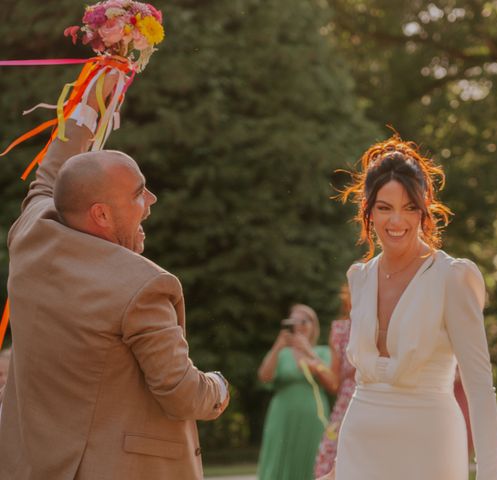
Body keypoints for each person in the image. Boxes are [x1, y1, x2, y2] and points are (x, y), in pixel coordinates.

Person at [0, 76, 229, 480]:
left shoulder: (30, 238)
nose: (151, 201)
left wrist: (92, 101)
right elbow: (181, 393)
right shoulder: (143, 286)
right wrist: (219, 388)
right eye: (139, 193)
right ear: (102, 215)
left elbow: (49, 176)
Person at [327, 136, 497, 479]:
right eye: (385, 207)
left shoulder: (451, 277)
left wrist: (490, 476)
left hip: (429, 448)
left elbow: (480, 388)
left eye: (410, 207)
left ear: (425, 209)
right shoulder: (360, 278)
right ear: (368, 209)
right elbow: (364, 384)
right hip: (358, 449)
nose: (397, 221)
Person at [257, 304, 336, 480]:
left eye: (304, 321)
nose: (299, 325)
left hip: (313, 417)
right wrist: (278, 346)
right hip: (282, 416)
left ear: (313, 326)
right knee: (279, 456)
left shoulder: (322, 351)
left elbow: (332, 382)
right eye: (294, 321)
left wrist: (308, 351)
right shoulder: (282, 354)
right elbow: (264, 377)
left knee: (313, 457)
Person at [314, 286, 356, 477]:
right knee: (331, 450)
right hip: (348, 398)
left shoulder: (390, 322)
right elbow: (334, 383)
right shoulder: (340, 329)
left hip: (382, 392)